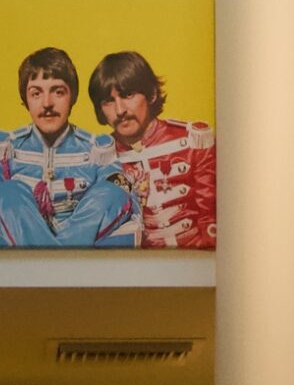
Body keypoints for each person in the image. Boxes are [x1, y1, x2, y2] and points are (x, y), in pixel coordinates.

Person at [0, 47, 136, 248]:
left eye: (58, 92)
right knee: (7, 191)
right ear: (25, 100)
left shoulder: (97, 149)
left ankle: (54, 266)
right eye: (36, 93)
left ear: (72, 96)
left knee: (113, 192)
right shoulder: (5, 146)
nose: (47, 103)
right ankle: (55, 267)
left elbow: (127, 206)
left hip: (80, 265)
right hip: (21, 263)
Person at [88, 50, 217, 251]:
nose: (120, 110)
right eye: (109, 101)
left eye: (128, 95)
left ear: (152, 94)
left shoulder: (193, 141)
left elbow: (212, 217)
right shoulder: (101, 157)